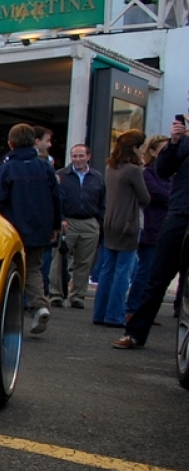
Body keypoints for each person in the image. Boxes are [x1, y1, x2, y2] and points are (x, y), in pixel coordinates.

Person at [115, 111, 189, 349]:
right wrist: (175, 142)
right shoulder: (182, 141)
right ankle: (135, 332)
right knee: (157, 276)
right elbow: (164, 170)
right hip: (180, 212)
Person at [0, 123, 62, 335]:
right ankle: (40, 305)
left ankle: (10, 314)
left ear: (10, 143)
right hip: (40, 227)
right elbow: (56, 198)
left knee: (10, 271)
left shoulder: (7, 168)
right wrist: (56, 225)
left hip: (13, 227)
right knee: (34, 269)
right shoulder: (45, 167)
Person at [91, 130, 149, 327]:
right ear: (134, 148)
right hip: (128, 223)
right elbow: (144, 198)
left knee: (108, 269)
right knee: (123, 271)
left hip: (111, 221)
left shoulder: (111, 168)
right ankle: (115, 315)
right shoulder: (133, 170)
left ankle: (100, 312)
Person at [50, 143, 105, 309]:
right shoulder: (61, 175)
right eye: (75, 156)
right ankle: (56, 295)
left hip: (90, 222)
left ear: (88, 157)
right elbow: (54, 200)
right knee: (59, 260)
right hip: (67, 222)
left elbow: (103, 201)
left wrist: (99, 223)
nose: (78, 159)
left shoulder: (97, 177)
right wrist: (60, 219)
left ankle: (78, 296)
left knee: (84, 262)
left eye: (81, 156)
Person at [126, 135, 171, 319]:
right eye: (163, 150)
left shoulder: (169, 173)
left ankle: (145, 311)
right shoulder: (147, 173)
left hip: (165, 228)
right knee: (145, 270)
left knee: (156, 274)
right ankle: (132, 308)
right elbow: (159, 195)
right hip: (150, 228)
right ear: (152, 152)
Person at [34, 127, 57, 295]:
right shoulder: (42, 166)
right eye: (46, 140)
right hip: (39, 220)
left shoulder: (49, 162)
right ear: (36, 141)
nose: (49, 145)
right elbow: (55, 196)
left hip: (39, 220)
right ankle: (39, 298)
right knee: (36, 265)